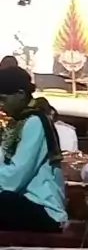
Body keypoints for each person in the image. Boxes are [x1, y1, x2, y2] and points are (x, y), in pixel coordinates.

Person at [0, 66, 67, 232]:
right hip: (19, 201)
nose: (1, 105)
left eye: (3, 99)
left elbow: (14, 178)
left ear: (21, 94)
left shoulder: (35, 122)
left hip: (41, 206)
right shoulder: (15, 123)